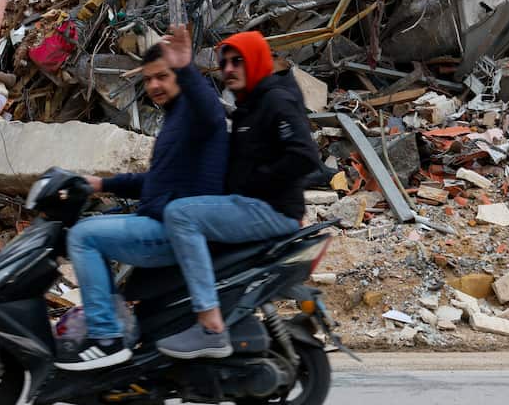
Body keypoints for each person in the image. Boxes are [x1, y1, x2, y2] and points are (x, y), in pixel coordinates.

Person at [57, 26, 228, 371]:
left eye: (162, 77)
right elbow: (155, 182)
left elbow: (212, 112)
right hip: (161, 222)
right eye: (148, 79)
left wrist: (186, 67)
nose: (153, 86)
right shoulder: (176, 120)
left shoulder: (197, 114)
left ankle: (105, 338)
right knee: (91, 230)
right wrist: (99, 184)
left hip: (173, 232)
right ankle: (111, 324)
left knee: (84, 237)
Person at [154, 29, 322, 360]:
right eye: (224, 63)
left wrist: (259, 180)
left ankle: (210, 325)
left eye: (238, 61)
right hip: (253, 205)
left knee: (181, 215)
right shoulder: (248, 106)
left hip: (271, 210)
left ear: (257, 61)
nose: (228, 69)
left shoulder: (276, 101)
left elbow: (305, 156)